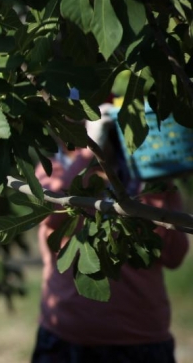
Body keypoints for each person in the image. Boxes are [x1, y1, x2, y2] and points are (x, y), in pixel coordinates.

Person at [31, 100, 190, 363]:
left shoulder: (144, 180)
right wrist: (89, 150)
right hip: (67, 335)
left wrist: (163, 183)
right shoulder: (54, 169)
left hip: (141, 337)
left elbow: (174, 256)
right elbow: (51, 215)